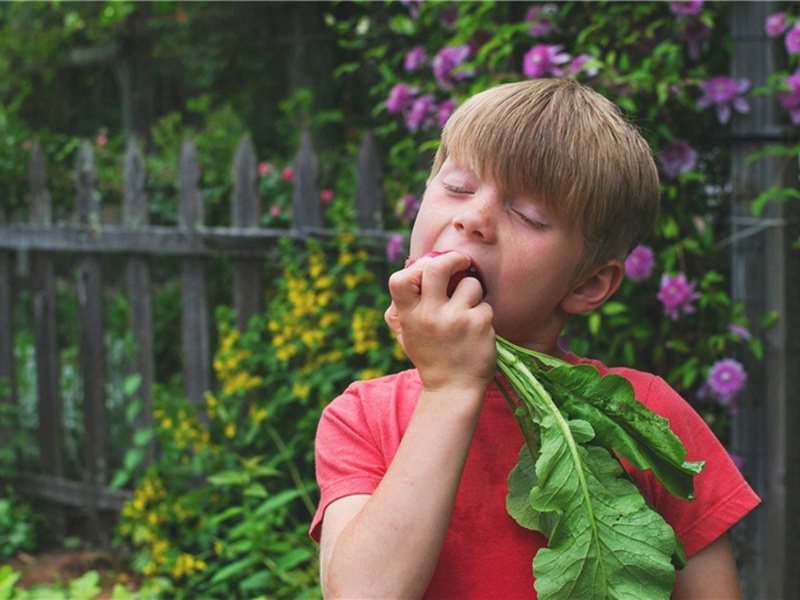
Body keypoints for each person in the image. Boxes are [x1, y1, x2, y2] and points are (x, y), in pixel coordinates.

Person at [309, 78, 760, 599]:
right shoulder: (363, 416)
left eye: (528, 216)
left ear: (588, 284)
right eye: (457, 186)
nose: (474, 218)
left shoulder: (647, 419)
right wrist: (450, 388)